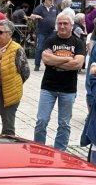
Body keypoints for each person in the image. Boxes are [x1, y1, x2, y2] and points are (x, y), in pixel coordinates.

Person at [34, 13, 85, 151]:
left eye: (65, 23)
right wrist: (68, 59)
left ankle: (60, 152)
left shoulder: (78, 42)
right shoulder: (50, 40)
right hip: (48, 87)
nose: (62, 26)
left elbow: (78, 64)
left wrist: (55, 60)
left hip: (68, 89)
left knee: (64, 124)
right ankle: (39, 149)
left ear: (71, 25)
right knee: (41, 121)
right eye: (60, 23)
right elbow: (46, 60)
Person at [0, 19, 28, 135]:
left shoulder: (17, 49)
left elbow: (25, 72)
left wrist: (13, 84)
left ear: (10, 34)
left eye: (0, 32)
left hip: (8, 92)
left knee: (8, 128)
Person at [30, 0, 57, 71]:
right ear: (45, 0)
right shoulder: (40, 7)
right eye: (50, 0)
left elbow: (58, 16)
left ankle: (50, 65)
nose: (51, 1)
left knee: (51, 48)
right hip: (42, 31)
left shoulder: (54, 7)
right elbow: (32, 15)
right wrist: (37, 16)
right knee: (40, 48)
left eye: (52, 0)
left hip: (52, 31)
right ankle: (37, 65)